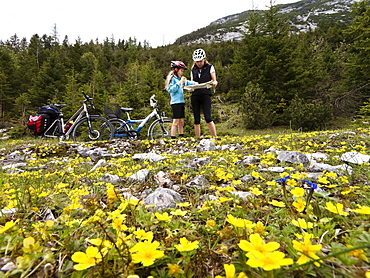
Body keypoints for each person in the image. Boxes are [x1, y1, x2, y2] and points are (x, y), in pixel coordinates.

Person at [190, 48, 218, 138]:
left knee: (208, 117)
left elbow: (214, 80)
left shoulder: (210, 67)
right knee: (196, 119)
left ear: (204, 59)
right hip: (195, 94)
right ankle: (198, 138)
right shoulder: (193, 70)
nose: (199, 63)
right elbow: (192, 82)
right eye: (197, 61)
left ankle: (215, 137)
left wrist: (214, 83)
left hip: (205, 94)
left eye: (200, 61)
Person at [165, 61, 196, 139]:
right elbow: (170, 89)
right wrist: (179, 83)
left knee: (181, 122)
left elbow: (187, 82)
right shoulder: (173, 79)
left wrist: (196, 83)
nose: (182, 73)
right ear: (176, 70)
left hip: (181, 102)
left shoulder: (179, 79)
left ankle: (181, 136)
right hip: (175, 103)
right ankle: (173, 137)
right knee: (175, 122)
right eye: (181, 71)